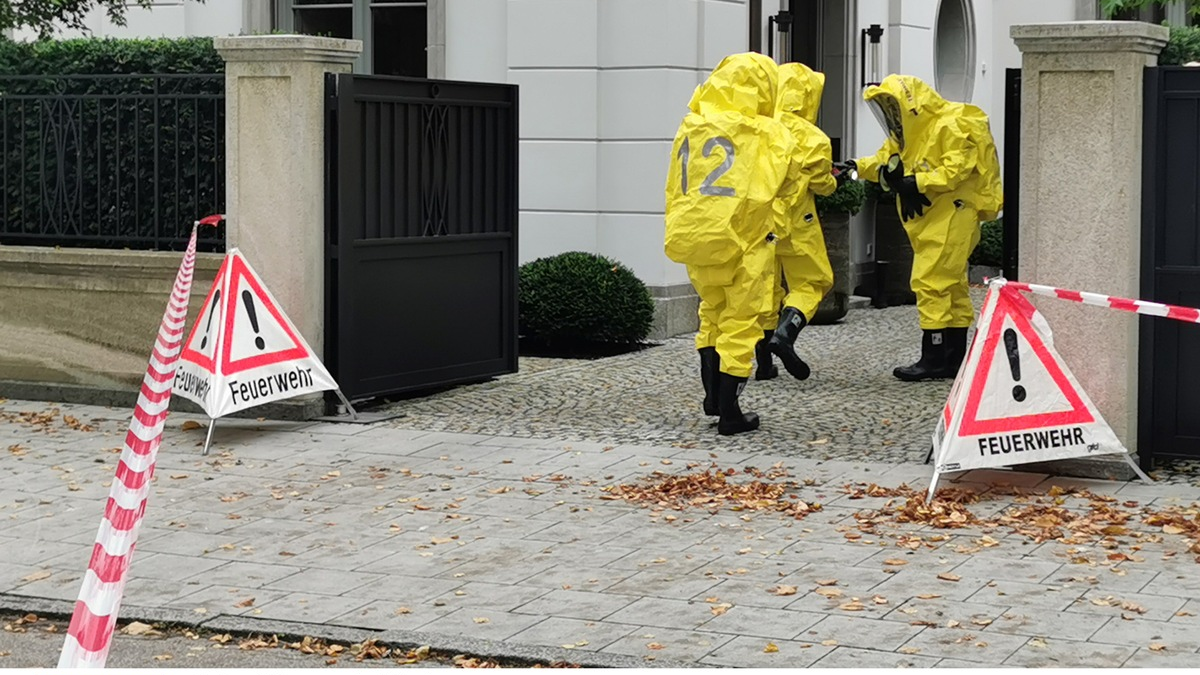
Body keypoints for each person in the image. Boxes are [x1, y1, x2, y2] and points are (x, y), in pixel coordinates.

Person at [664, 52, 805, 435]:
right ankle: (730, 411)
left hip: (697, 237)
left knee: (710, 314)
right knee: (740, 325)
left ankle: (712, 396)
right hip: (746, 241)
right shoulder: (768, 131)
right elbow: (786, 185)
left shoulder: (691, 124)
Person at [841, 74, 1002, 381]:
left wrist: (915, 183)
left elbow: (955, 170)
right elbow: (884, 161)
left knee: (930, 282)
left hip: (954, 215)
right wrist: (854, 166)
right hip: (933, 219)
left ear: (911, 106)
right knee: (950, 287)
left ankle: (934, 358)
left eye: (893, 106)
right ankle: (952, 360)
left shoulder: (949, 126)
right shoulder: (908, 136)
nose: (891, 115)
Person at [755, 62, 840, 382]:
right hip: (798, 220)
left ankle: (763, 364)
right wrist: (834, 181)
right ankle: (785, 335)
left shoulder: (760, 127)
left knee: (765, 287)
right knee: (812, 281)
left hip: (762, 220)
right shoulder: (813, 138)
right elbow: (822, 184)